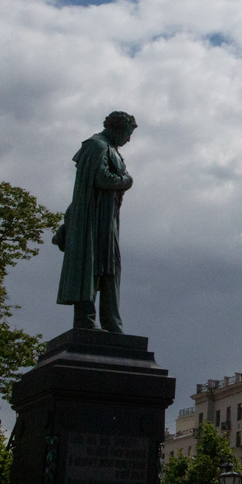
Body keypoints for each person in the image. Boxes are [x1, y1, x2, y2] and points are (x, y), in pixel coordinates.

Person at [55, 111, 137, 333]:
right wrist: (126, 181)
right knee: (90, 266)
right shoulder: (97, 145)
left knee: (109, 268)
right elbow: (100, 178)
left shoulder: (109, 149)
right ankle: (85, 320)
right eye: (128, 134)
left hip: (106, 219)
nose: (129, 139)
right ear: (117, 129)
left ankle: (112, 323)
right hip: (93, 219)